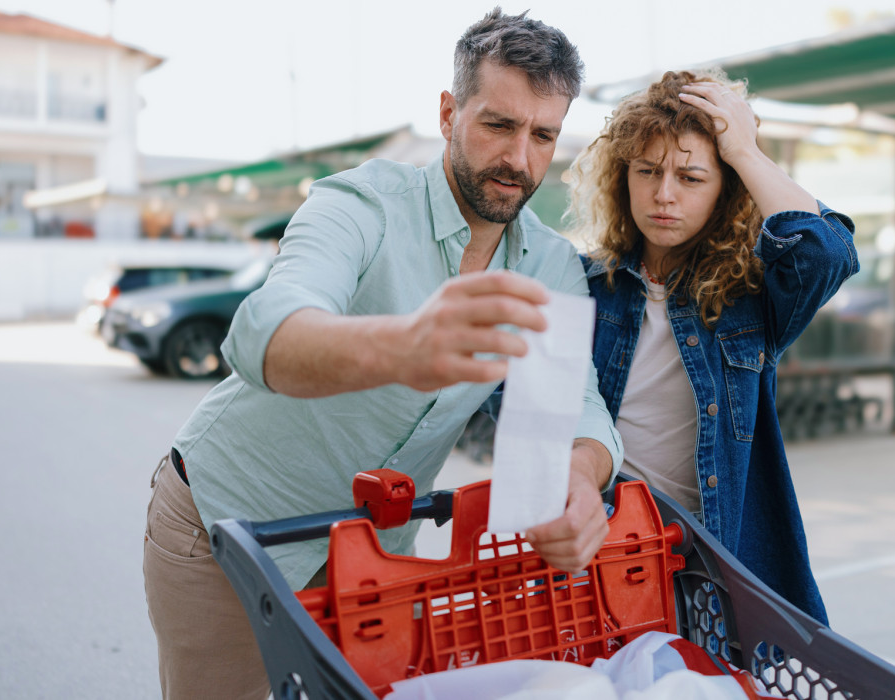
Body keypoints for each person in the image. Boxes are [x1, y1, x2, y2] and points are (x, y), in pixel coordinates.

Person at [142, 9, 623, 699]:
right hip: (227, 524)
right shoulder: (361, 201)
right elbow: (263, 331)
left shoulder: (547, 262)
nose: (520, 160)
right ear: (448, 112)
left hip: (373, 559)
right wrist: (403, 346)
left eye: (543, 135)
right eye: (497, 125)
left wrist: (578, 476)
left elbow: (576, 404)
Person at [570, 70, 858, 625]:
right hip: (605, 551)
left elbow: (828, 253)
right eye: (647, 171)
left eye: (692, 177)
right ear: (621, 176)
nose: (663, 194)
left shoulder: (749, 299)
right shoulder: (585, 285)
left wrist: (743, 150)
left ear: (726, 190)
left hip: (715, 561)